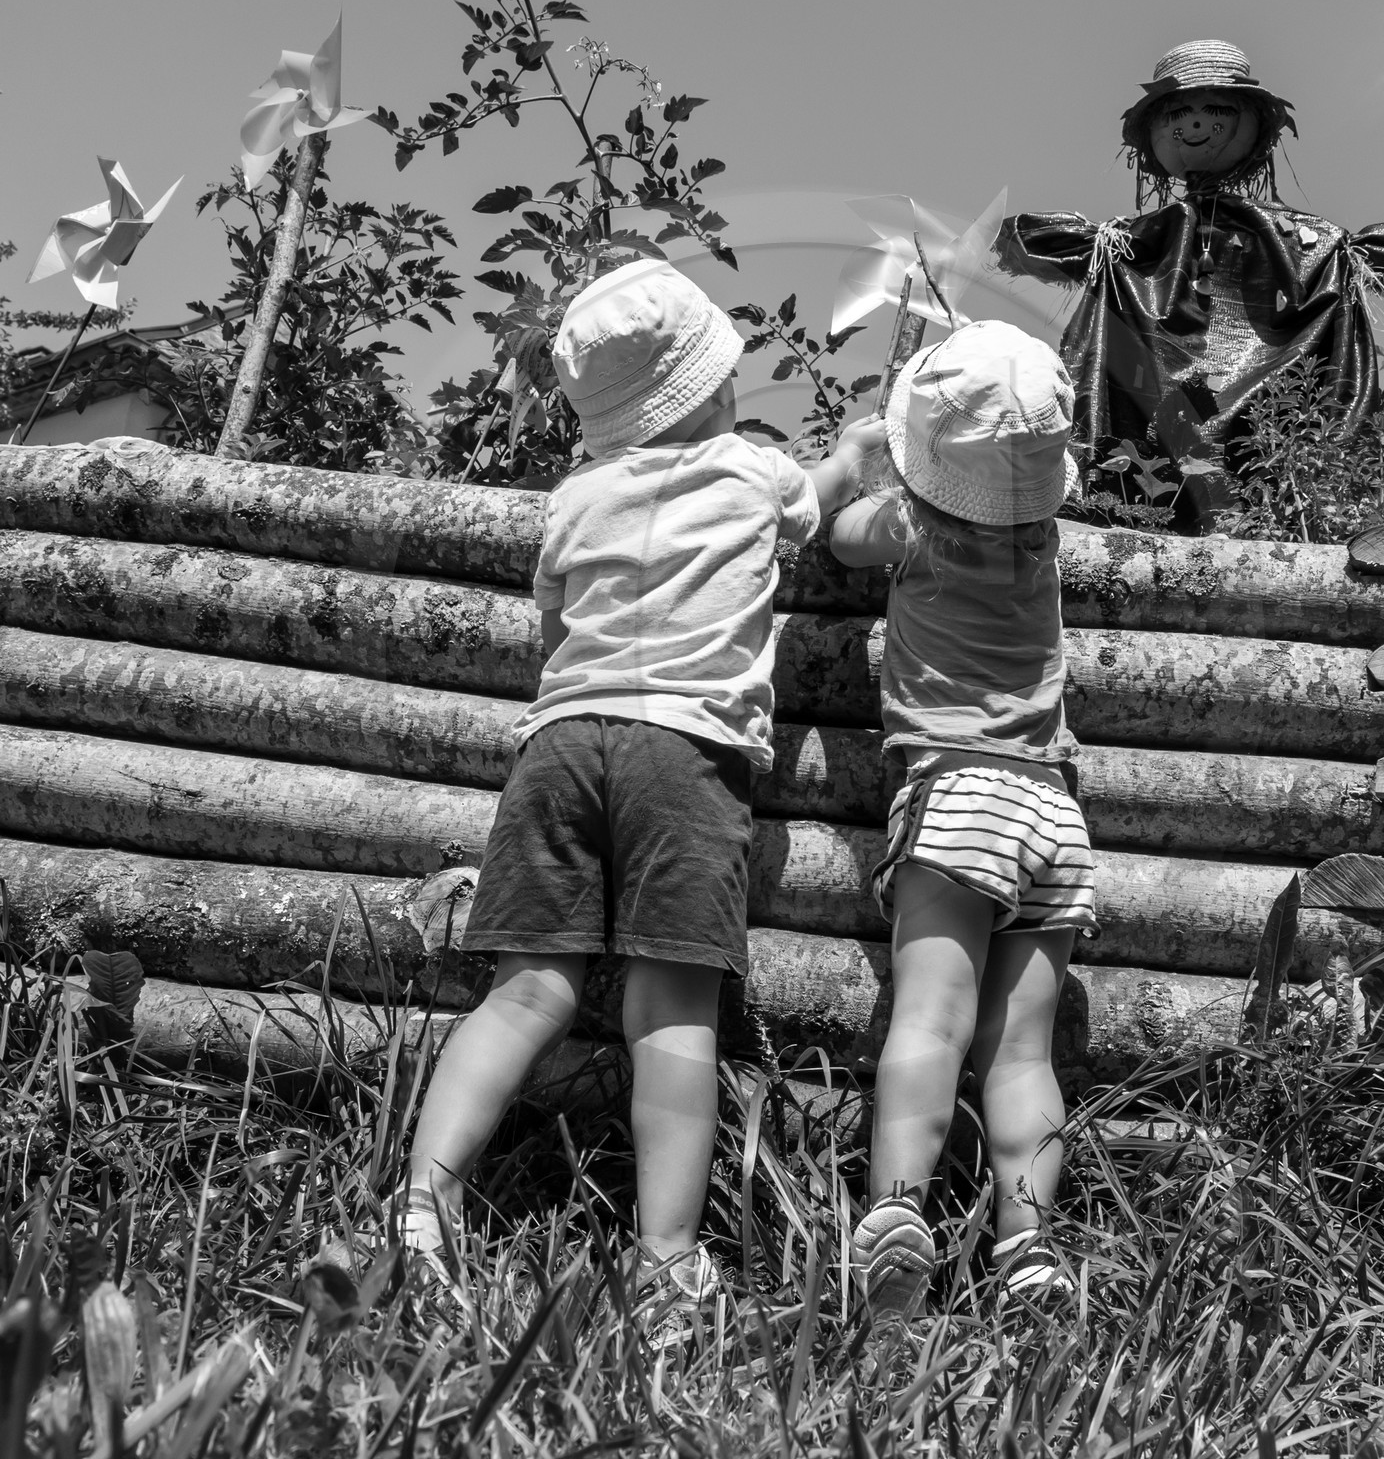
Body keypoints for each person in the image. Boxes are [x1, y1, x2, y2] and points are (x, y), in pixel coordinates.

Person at [402, 258, 885, 1319]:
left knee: (527, 989)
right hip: (684, 751)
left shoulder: (574, 498)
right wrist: (853, 450)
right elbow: (813, 501)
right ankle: (663, 1253)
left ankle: (421, 1209)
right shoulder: (752, 471)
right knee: (671, 1007)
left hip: (561, 742)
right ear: (710, 385)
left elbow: (552, 632)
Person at [829, 319, 1094, 1318]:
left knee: (931, 1024)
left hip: (958, 795)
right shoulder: (1044, 540)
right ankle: (1027, 1247)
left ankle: (898, 1211)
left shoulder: (910, 528)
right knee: (1020, 1053)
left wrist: (858, 463)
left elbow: (837, 535)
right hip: (1051, 815)